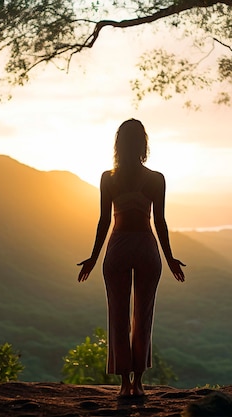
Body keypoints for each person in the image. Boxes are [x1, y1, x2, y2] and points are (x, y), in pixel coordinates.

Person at [77, 118, 185, 398]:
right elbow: (160, 221)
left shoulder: (108, 178)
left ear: (118, 144)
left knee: (118, 315)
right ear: (143, 144)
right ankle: (138, 382)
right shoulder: (155, 179)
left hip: (118, 246)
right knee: (143, 315)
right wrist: (170, 257)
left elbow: (103, 221)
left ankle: (125, 384)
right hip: (147, 246)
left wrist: (93, 256)